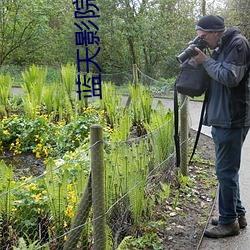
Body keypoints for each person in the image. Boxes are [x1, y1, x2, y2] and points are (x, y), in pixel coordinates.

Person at [192, 15, 250, 238]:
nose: (203, 41)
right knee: (227, 171)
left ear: (216, 32)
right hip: (222, 117)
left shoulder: (238, 44)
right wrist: (202, 59)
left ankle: (228, 223)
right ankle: (237, 214)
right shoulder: (221, 46)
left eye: (204, 37)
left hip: (232, 118)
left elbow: (229, 77)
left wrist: (205, 61)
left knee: (225, 171)